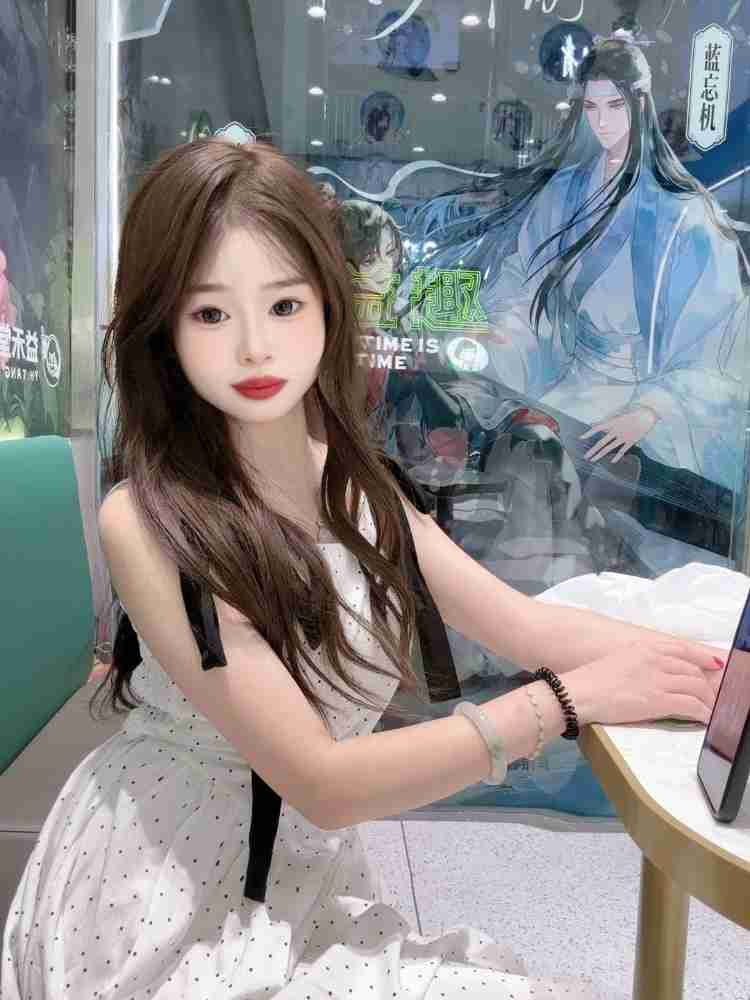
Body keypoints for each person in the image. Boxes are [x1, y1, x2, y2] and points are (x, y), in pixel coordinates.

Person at [1, 138, 725, 999]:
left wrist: (709, 672)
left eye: (283, 305)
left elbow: (522, 624)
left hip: (299, 873)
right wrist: (561, 705)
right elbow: (324, 783)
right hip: (166, 897)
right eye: (210, 315)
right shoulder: (147, 519)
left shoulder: (354, 484)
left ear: (328, 307)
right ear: (163, 328)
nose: (254, 349)